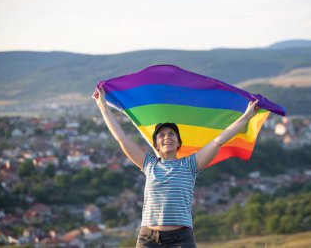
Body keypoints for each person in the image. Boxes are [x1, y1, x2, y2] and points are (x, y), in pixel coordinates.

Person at [94, 87, 259, 248]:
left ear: (179, 142)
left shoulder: (190, 164)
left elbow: (218, 141)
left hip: (180, 239)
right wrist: (103, 106)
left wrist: (246, 116)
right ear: (156, 145)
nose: (167, 137)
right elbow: (121, 138)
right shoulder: (149, 164)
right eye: (162, 135)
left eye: (172, 134)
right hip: (148, 239)